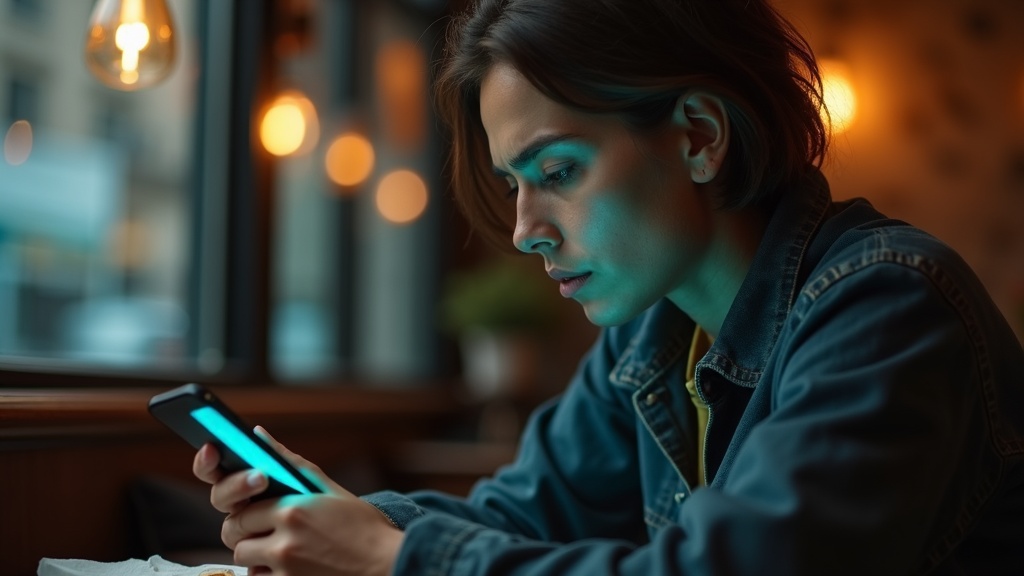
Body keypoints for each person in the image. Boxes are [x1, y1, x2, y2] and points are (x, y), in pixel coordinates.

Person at [193, 0, 1024, 573]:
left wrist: (395, 558)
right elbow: (525, 515)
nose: (526, 229)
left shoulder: (888, 307)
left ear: (698, 136)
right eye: (515, 184)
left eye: (558, 171)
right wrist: (342, 516)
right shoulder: (654, 333)